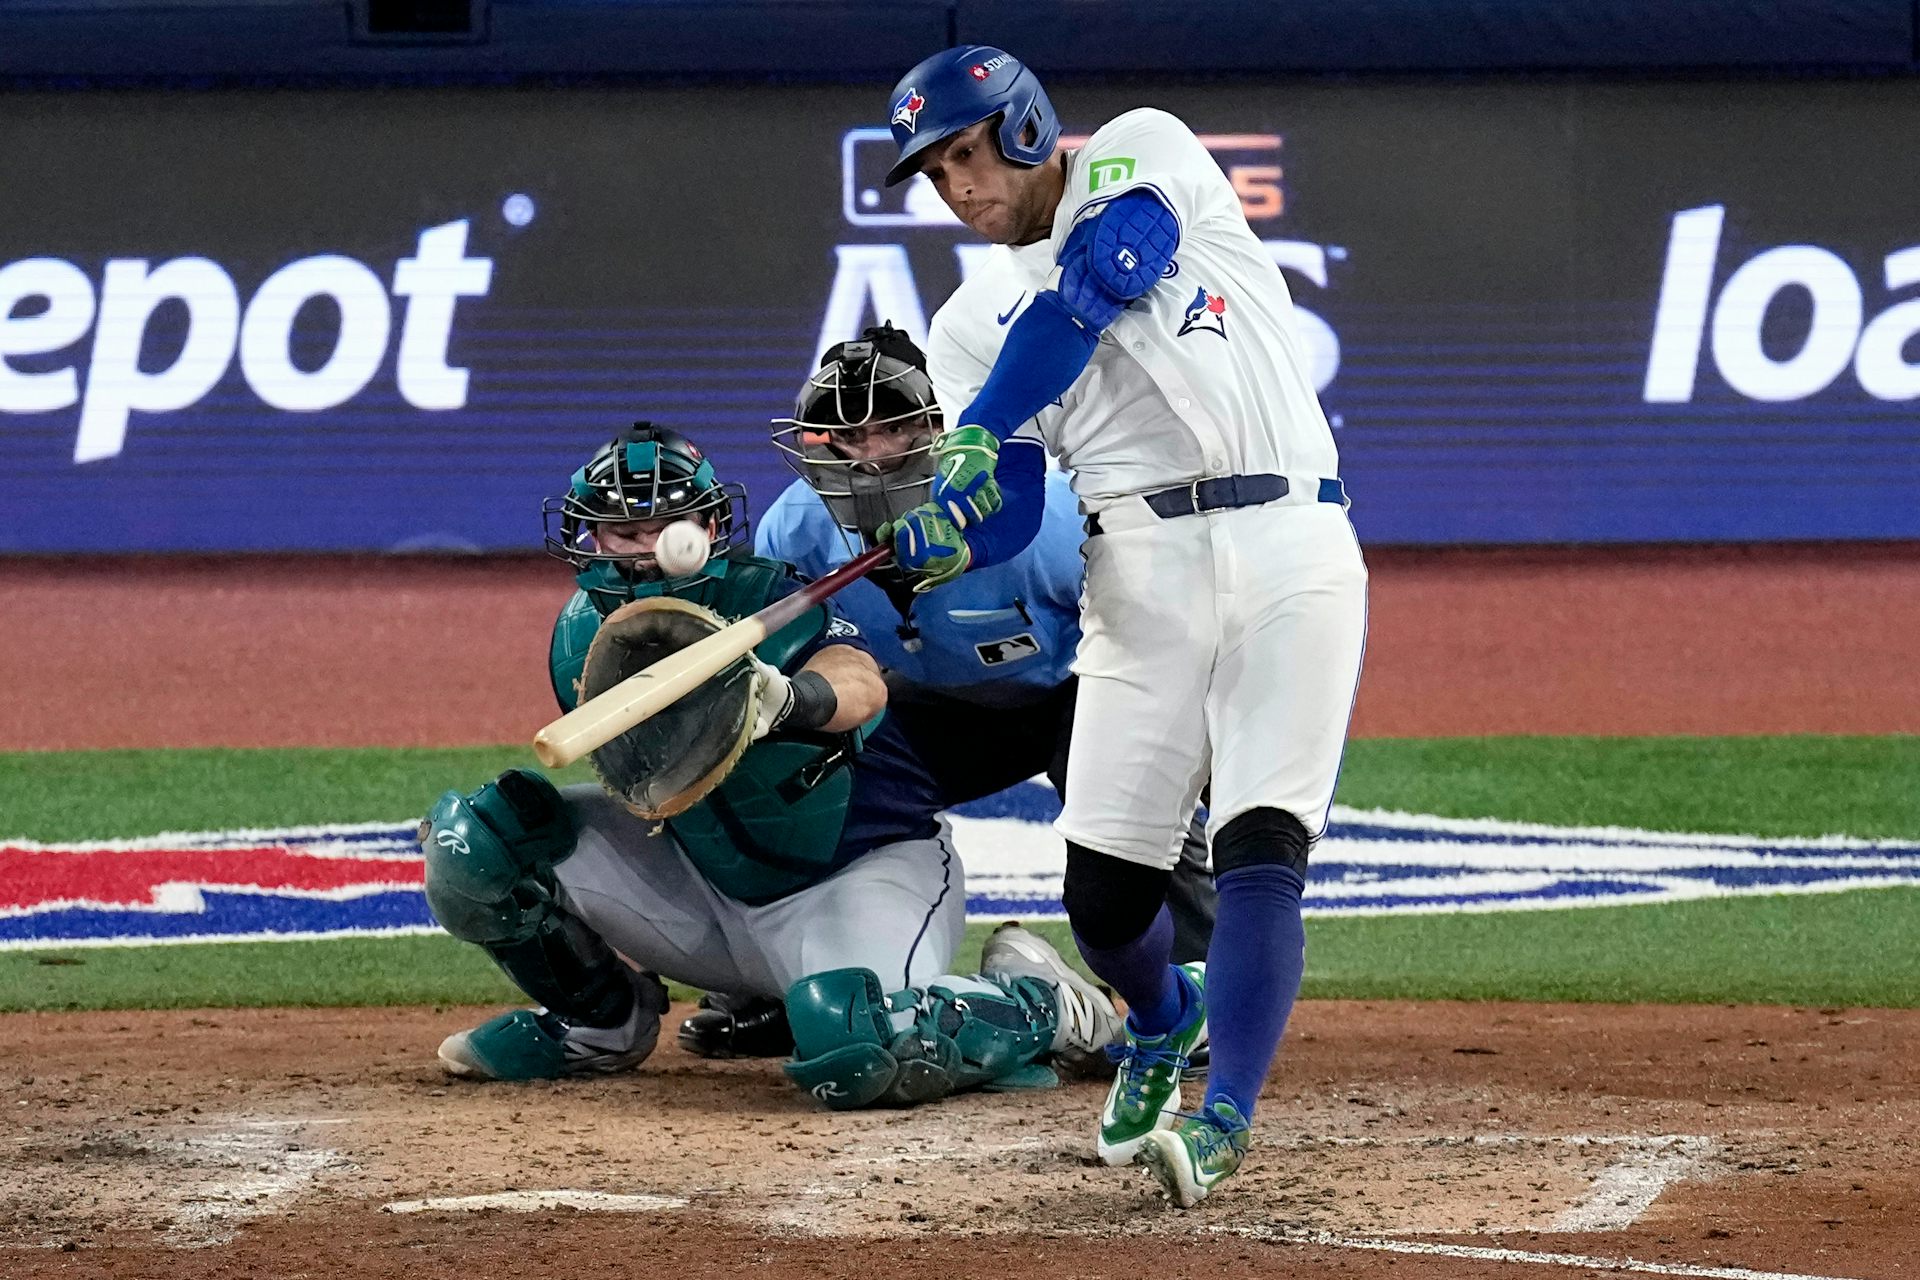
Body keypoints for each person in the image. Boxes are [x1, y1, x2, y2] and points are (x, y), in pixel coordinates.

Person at [876, 49, 1370, 1204]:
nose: (956, 185)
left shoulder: (1147, 148)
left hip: (1293, 540)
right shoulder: (962, 325)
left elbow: (1098, 279)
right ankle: (1160, 1016)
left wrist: (982, 425)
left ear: (1027, 123)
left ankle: (1226, 1116)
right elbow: (1009, 512)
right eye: (933, 169)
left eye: (966, 151)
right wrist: (946, 535)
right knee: (1102, 896)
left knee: (1260, 845)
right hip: (1139, 570)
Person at [419, 422, 1122, 1110]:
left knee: (862, 1046)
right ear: (589, 538)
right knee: (476, 840)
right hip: (704, 887)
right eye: (624, 534)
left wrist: (787, 699)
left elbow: (861, 683)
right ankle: (597, 1025)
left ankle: (1047, 1001)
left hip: (851, 872)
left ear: (709, 529)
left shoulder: (766, 597)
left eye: (668, 531)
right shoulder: (578, 636)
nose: (643, 556)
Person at [680, 323, 1218, 1064]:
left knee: (1140, 827)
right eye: (847, 435)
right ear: (814, 444)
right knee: (807, 777)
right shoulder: (797, 532)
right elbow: (785, 661)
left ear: (938, 428)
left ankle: (1199, 996)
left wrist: (1191, 750)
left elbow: (1167, 637)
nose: (869, 455)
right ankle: (779, 989)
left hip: (1083, 693)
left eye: (893, 430)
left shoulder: (1046, 520)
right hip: (932, 708)